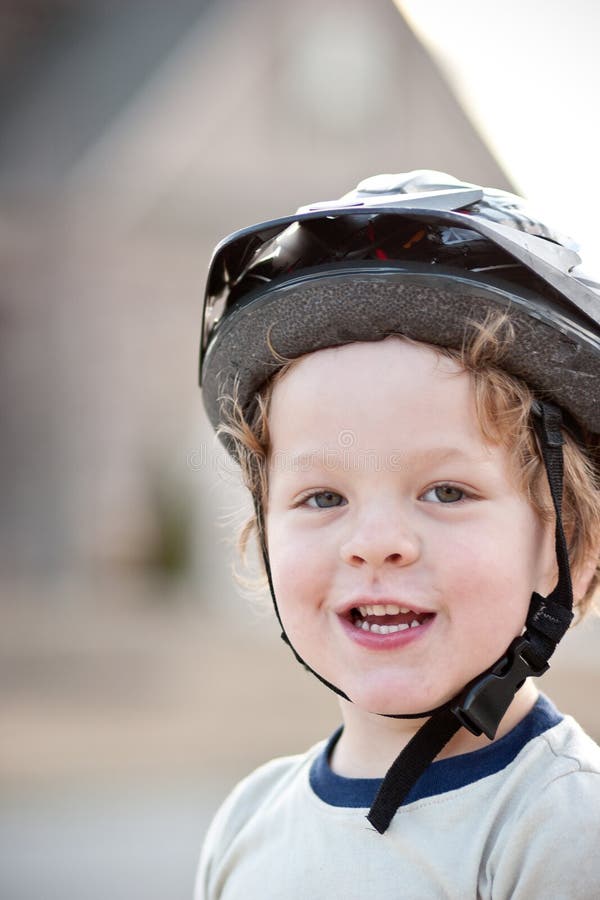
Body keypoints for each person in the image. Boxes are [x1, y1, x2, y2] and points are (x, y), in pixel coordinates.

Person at [195, 171, 600, 899]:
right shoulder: (248, 821)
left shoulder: (563, 830)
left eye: (446, 491)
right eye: (323, 497)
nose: (376, 542)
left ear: (571, 545)